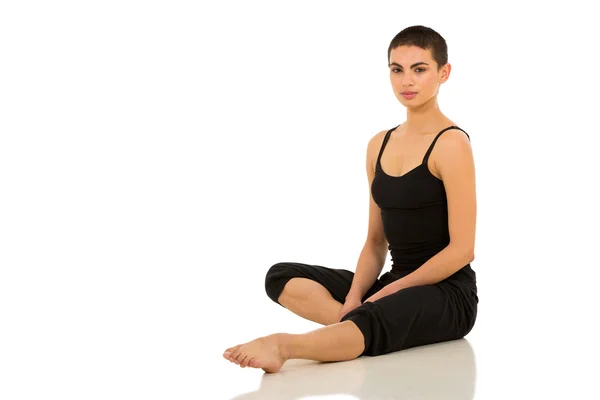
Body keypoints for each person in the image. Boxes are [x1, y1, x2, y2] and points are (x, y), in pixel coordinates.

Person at [223, 25, 479, 373]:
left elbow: (462, 250)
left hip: (447, 294)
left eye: (419, 69)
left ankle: (285, 346)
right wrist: (358, 297)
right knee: (280, 277)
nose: (407, 80)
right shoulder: (379, 144)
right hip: (393, 282)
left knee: (379, 311)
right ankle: (355, 322)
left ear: (443, 73)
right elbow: (375, 242)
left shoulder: (452, 144)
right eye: (397, 69)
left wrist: (388, 293)